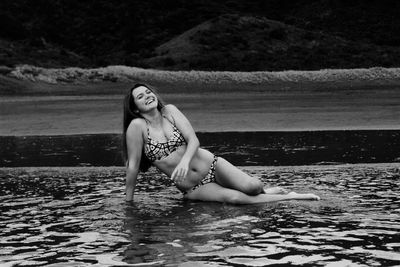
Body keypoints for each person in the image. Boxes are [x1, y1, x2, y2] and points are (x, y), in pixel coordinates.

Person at [122, 83, 320, 204]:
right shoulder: (137, 126)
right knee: (235, 199)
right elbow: (132, 166)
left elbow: (193, 140)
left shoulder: (170, 111)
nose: (147, 97)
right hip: (194, 187)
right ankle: (292, 197)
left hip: (211, 165)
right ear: (136, 108)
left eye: (148, 93)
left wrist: (184, 162)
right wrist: (128, 203)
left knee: (253, 186)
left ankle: (267, 192)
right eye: (140, 97)